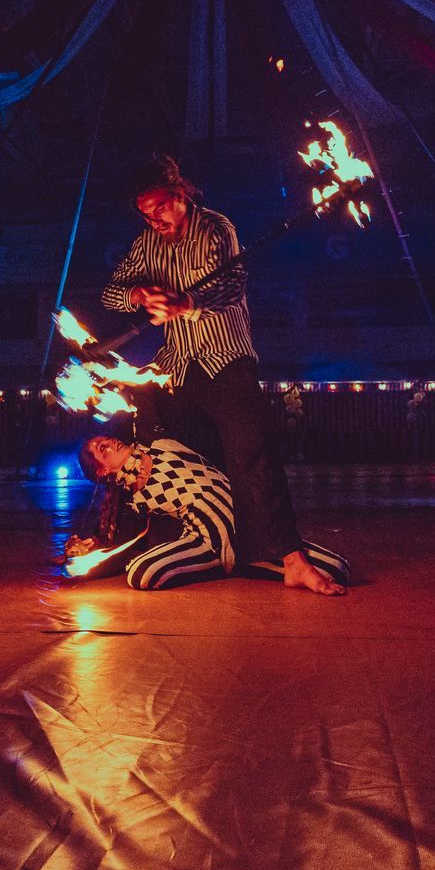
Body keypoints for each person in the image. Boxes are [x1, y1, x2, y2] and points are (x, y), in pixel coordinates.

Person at [101, 154, 343, 595]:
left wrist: (185, 304)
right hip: (178, 367)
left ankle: (289, 558)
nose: (155, 220)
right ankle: (188, 541)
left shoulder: (216, 228)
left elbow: (231, 287)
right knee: (162, 446)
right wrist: (138, 292)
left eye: (160, 209)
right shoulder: (146, 244)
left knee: (253, 456)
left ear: (180, 195)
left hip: (225, 361)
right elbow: (110, 294)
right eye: (145, 214)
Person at [70, 434, 347, 593]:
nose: (108, 443)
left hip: (253, 532)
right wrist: (86, 551)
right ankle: (223, 563)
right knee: (140, 573)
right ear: (103, 471)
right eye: (101, 451)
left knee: (338, 569)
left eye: (104, 440)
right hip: (206, 542)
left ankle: (240, 562)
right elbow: (117, 544)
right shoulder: (136, 502)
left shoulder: (163, 445)